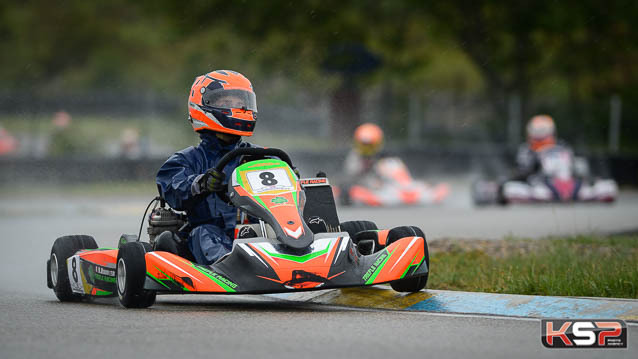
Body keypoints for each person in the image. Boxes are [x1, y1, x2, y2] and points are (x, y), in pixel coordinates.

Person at [155, 70, 259, 265]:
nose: (237, 108)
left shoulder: (261, 157)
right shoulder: (186, 160)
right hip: (209, 236)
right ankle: (230, 265)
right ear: (203, 106)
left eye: (240, 103)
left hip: (256, 234)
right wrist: (200, 184)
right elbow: (172, 189)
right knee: (203, 233)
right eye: (226, 104)